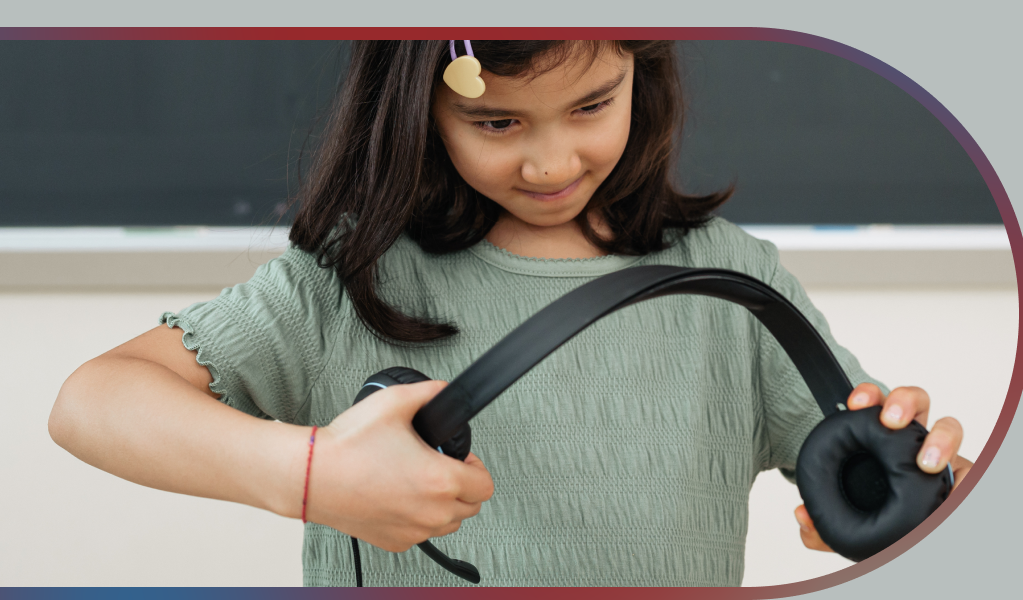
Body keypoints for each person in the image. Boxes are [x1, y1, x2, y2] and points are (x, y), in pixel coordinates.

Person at [48, 40, 974, 586]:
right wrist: (307, 474)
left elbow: (871, 468)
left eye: (592, 105)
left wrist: (929, 491)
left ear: (638, 77)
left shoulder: (731, 276)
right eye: (497, 123)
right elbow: (92, 402)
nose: (549, 162)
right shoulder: (348, 280)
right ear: (422, 109)